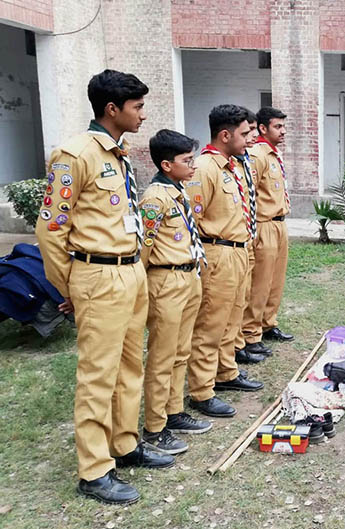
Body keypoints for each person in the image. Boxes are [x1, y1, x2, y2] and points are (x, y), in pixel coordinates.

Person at [35, 69, 173, 505]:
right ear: (111, 109)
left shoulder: (118, 153)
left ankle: (125, 444)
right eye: (137, 107)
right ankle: (94, 470)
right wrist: (71, 287)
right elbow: (50, 229)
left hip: (131, 272)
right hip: (97, 275)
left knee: (130, 366)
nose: (143, 115)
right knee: (98, 375)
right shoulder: (74, 155)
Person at [187, 104, 264, 419]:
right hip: (217, 253)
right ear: (225, 134)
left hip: (237, 250)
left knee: (232, 318)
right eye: (245, 133)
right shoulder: (205, 168)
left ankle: (226, 372)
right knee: (210, 324)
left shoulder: (230, 167)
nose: (250, 139)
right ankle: (202, 392)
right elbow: (191, 218)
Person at [139, 129, 213, 456]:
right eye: (187, 160)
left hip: (187, 275)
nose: (193, 165)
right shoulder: (155, 197)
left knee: (181, 351)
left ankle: (174, 410)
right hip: (165, 280)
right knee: (162, 355)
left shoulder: (177, 191)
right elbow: (144, 246)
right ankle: (155, 426)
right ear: (167, 165)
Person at [240, 106, 294, 351]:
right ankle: (251, 333)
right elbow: (249, 193)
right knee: (260, 282)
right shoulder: (257, 155)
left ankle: (268, 323)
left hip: (279, 223)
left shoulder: (274, 154)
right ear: (263, 128)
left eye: (284, 126)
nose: (283, 131)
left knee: (275, 280)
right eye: (278, 126)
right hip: (264, 225)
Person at [234, 109, 273, 364]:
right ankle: (244, 339)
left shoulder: (246, 160)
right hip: (230, 241)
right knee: (243, 294)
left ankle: (255, 331)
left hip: (247, 232)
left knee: (263, 285)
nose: (250, 138)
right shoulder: (211, 167)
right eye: (245, 132)